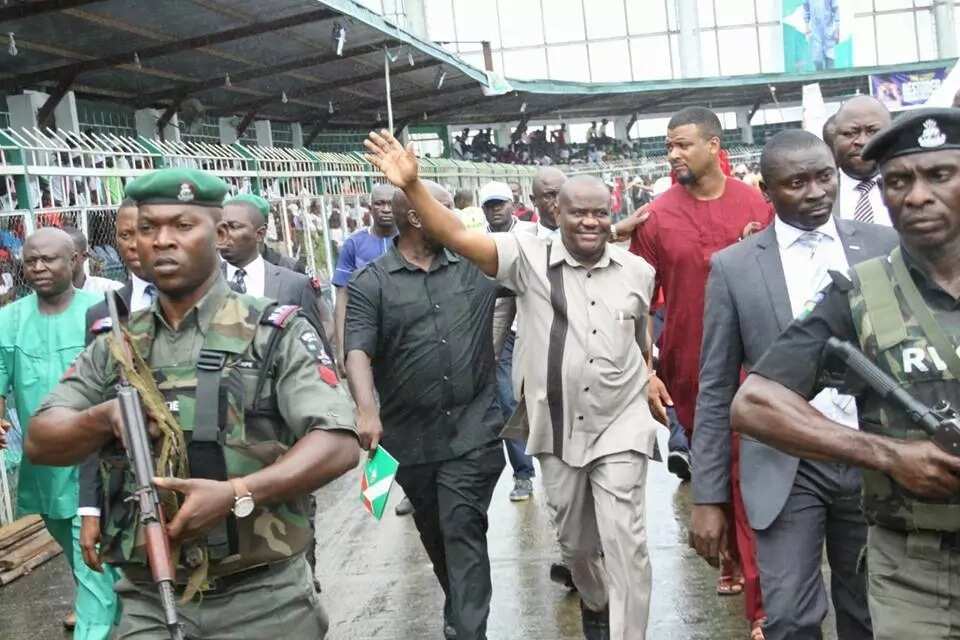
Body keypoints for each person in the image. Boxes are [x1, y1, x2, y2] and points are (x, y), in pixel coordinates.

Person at [24, 167, 359, 640]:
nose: (161, 241)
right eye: (148, 228)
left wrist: (236, 493)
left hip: (263, 600)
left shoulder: (274, 332)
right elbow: (41, 439)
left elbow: (338, 443)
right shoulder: (114, 344)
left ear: (218, 232)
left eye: (182, 226)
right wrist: (105, 417)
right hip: (148, 601)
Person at [364, 130, 661, 640]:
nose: (589, 222)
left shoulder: (639, 272)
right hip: (556, 426)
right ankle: (594, 602)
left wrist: (651, 378)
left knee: (626, 539)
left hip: (621, 423)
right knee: (577, 544)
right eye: (577, 213)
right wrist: (412, 187)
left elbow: (641, 341)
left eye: (600, 213)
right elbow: (457, 238)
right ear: (555, 217)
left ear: (612, 215)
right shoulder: (527, 259)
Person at [730, 107, 960, 640]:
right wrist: (888, 455)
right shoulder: (859, 292)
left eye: (940, 176)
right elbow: (754, 404)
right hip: (916, 570)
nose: (917, 196)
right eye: (898, 182)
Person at [692, 130, 894, 640]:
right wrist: (708, 496)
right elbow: (715, 388)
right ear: (766, 189)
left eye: (825, 177)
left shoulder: (884, 247)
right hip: (785, 467)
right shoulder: (733, 268)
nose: (815, 192)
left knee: (868, 613)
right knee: (789, 618)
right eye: (796, 182)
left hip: (872, 457)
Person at [345, 181, 505, 640]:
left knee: (462, 528)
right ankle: (461, 613)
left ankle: (466, 632)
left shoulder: (477, 266)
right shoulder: (371, 282)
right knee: (437, 536)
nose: (458, 218)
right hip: (410, 440)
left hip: (475, 432)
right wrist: (365, 408)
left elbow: (540, 265)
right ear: (417, 217)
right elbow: (356, 348)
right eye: (447, 209)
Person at [628, 107, 772, 485]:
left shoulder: (757, 205)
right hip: (690, 369)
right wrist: (646, 372)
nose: (673, 154)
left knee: (760, 470)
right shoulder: (655, 217)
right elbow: (636, 303)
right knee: (710, 471)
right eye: (668, 146)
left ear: (713, 145)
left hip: (757, 363)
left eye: (683, 145)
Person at [0, 227, 117, 638]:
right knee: (78, 552)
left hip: (98, 460)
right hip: (46, 461)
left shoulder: (105, 309)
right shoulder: (8, 319)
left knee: (92, 564)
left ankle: (95, 623)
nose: (38, 267)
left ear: (76, 261)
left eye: (49, 258)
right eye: (31, 260)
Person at [78, 199, 158, 579]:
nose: (133, 244)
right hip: (132, 493)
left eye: (144, 231)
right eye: (124, 235)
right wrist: (90, 509)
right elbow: (93, 413)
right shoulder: (103, 315)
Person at [479, 181, 537, 502]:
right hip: (498, 335)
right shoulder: (477, 240)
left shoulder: (531, 233)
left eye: (500, 203)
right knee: (506, 401)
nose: (495, 209)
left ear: (513, 204)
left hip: (532, 327)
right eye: (489, 205)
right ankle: (523, 473)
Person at [220, 193, 334, 345]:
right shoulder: (207, 281)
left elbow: (324, 322)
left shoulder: (294, 274)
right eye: (221, 227)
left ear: (260, 232)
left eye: (234, 226)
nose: (224, 235)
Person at [332, 184, 396, 371]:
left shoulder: (410, 240)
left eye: (391, 204)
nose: (386, 209)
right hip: (365, 332)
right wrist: (341, 348)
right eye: (379, 204)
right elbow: (342, 297)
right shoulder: (354, 244)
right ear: (369, 209)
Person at [829, 96, 893, 226]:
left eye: (873, 132)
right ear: (833, 139)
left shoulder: (914, 187)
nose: (862, 141)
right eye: (850, 133)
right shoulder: (818, 193)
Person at [64, 225, 123, 294]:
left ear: (84, 256)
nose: (61, 260)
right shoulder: (49, 296)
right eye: (54, 256)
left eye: (68, 254)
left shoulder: (109, 289)